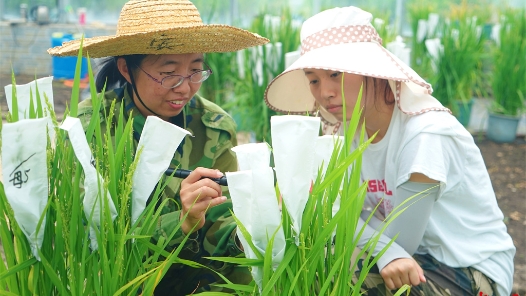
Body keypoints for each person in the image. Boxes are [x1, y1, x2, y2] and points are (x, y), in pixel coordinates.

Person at [264, 6, 515, 296]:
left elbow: (399, 242)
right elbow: (342, 216)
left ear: (371, 70)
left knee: (338, 282)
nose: (325, 92)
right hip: (404, 257)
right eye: (314, 79)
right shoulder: (347, 132)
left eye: (335, 74)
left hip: (466, 269)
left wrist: (321, 208)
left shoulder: (424, 135)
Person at [48, 0, 268, 294]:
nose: (184, 88)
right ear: (126, 69)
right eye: (169, 73)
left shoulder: (212, 125)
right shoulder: (91, 128)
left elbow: (224, 217)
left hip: (198, 281)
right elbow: (88, 232)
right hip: (115, 281)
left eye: (195, 71)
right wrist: (182, 221)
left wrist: (252, 229)